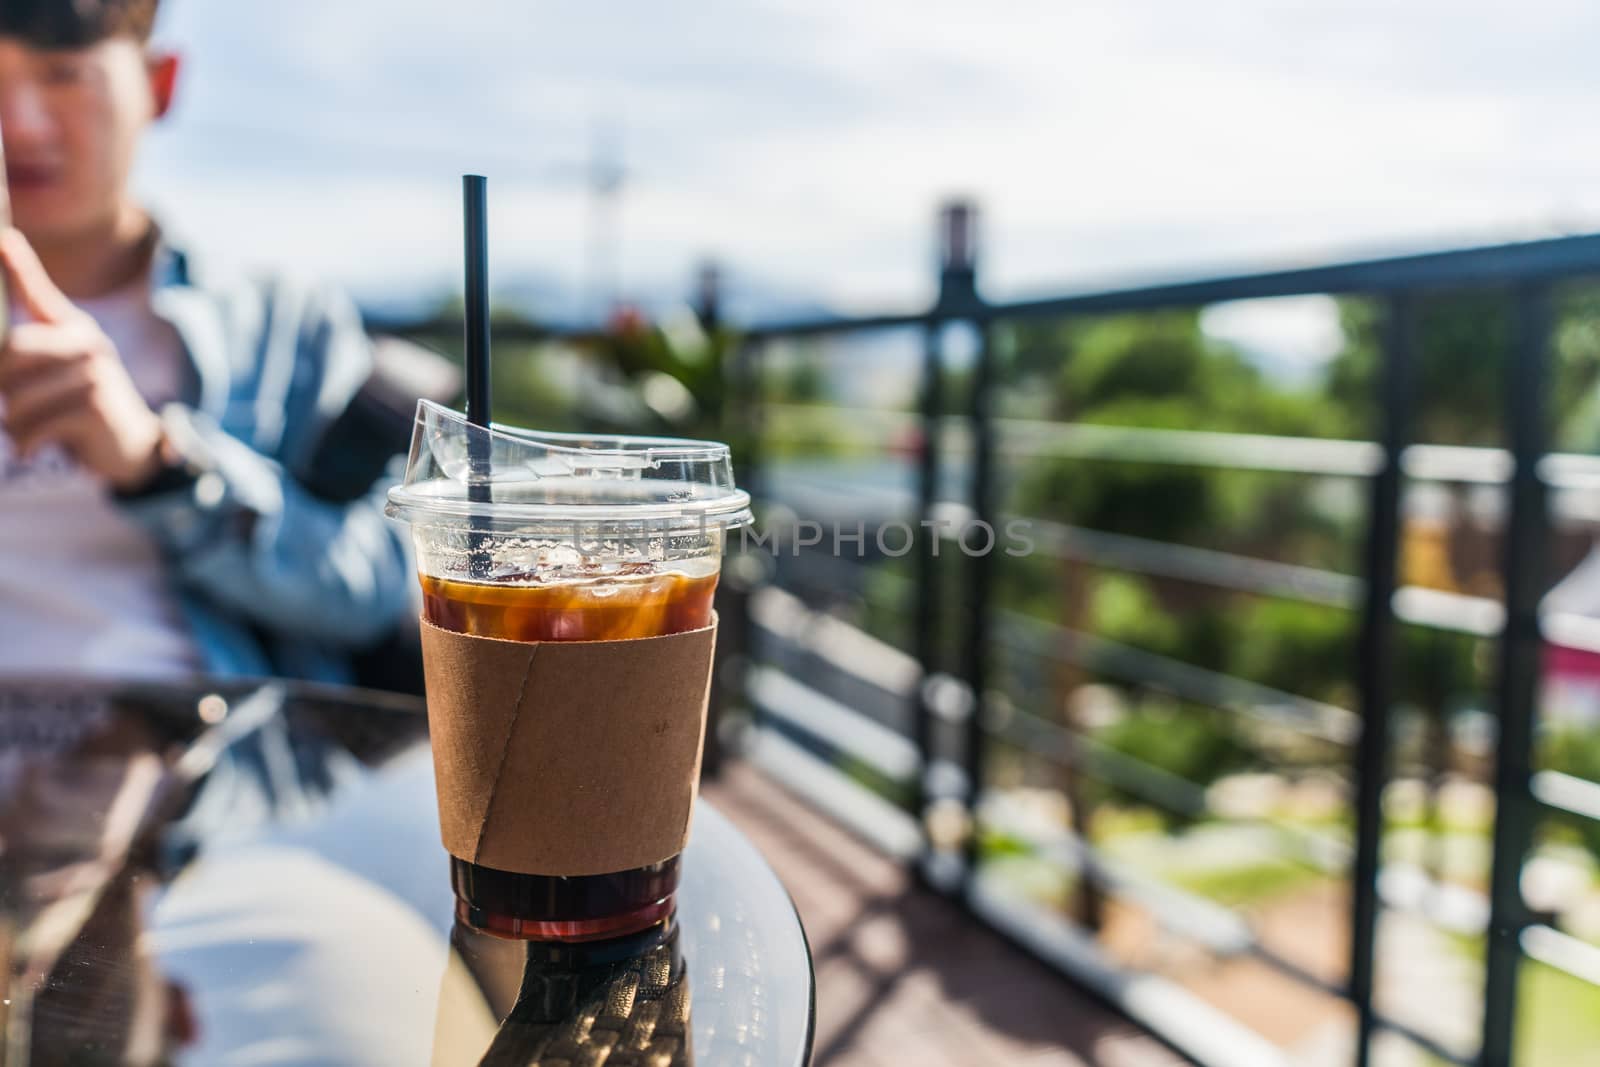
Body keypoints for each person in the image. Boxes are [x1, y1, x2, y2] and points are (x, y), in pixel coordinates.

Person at [0, 0, 415, 681]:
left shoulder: (282, 324)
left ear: (157, 86)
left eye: (61, 73)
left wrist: (157, 464)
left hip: (206, 764)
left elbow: (381, 589)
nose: (17, 122)